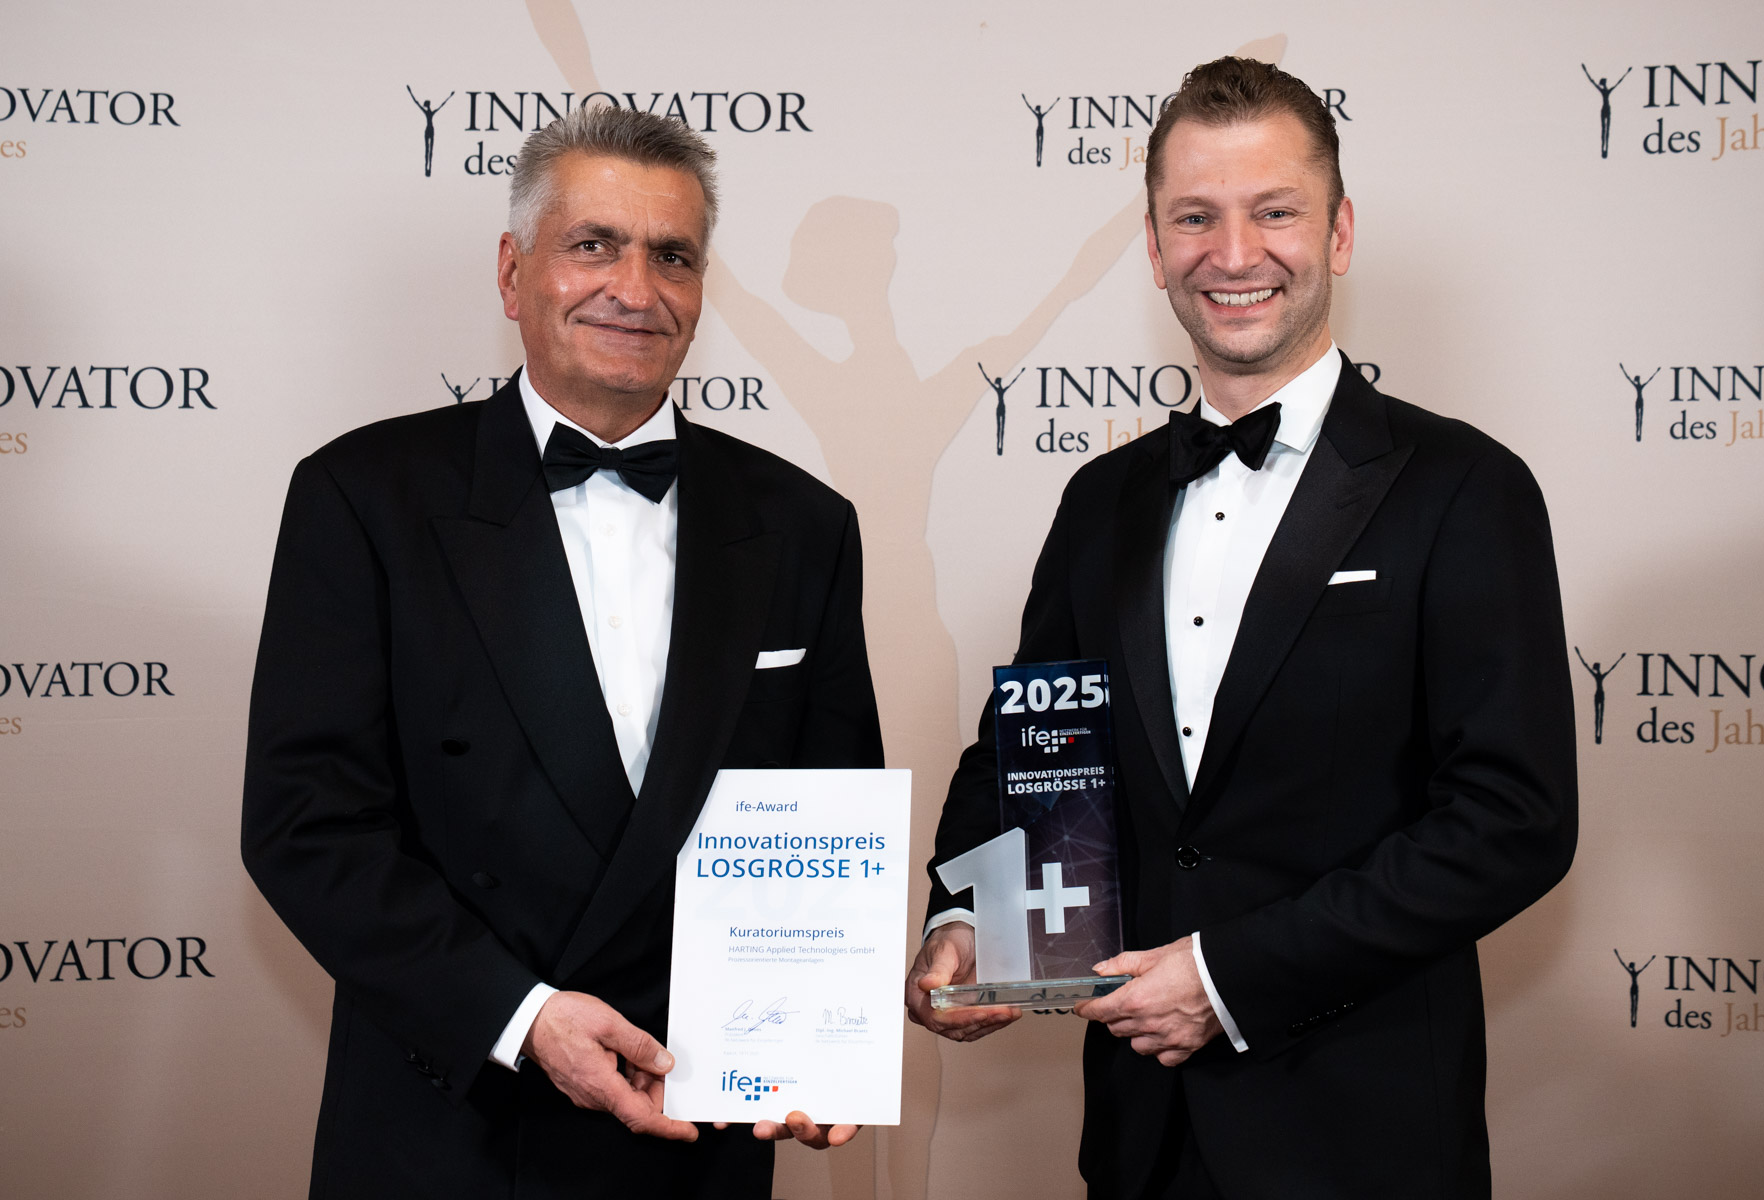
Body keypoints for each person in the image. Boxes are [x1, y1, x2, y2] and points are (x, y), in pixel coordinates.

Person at [907, 57, 1577, 1198]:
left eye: (1274, 212)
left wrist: (1227, 977)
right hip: (1141, 1138)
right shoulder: (1099, 502)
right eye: (1194, 217)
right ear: (1155, 247)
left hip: (1364, 1141)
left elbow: (1514, 820)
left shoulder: (1465, 488)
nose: (1233, 253)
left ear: (1340, 233)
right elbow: (1037, 751)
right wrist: (972, 918)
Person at [242, 105, 880, 1199]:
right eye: (594, 244)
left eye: (672, 256)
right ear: (512, 272)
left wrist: (816, 1042)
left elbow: (830, 809)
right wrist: (523, 1019)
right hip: (451, 1124)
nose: (635, 288)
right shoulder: (363, 498)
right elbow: (307, 826)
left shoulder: (804, 523)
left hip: (697, 1125)